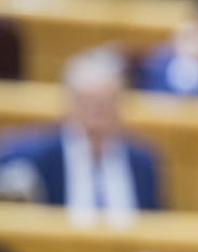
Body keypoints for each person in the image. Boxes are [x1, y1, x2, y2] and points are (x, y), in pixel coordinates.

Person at [0, 48, 161, 210]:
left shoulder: (143, 162)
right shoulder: (34, 157)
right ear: (68, 104)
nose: (97, 112)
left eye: (106, 103)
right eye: (87, 102)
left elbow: (159, 225)